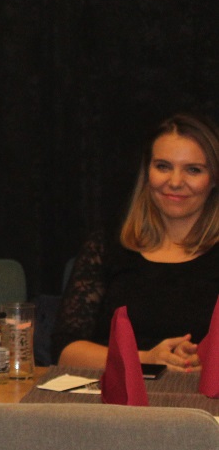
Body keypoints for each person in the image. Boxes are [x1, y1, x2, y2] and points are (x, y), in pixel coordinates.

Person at [54, 113, 219, 370]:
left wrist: (205, 360)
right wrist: (145, 359)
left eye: (193, 170)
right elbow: (65, 350)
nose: (175, 182)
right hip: (114, 393)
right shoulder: (106, 245)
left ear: (214, 179)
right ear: (147, 172)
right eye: (163, 166)